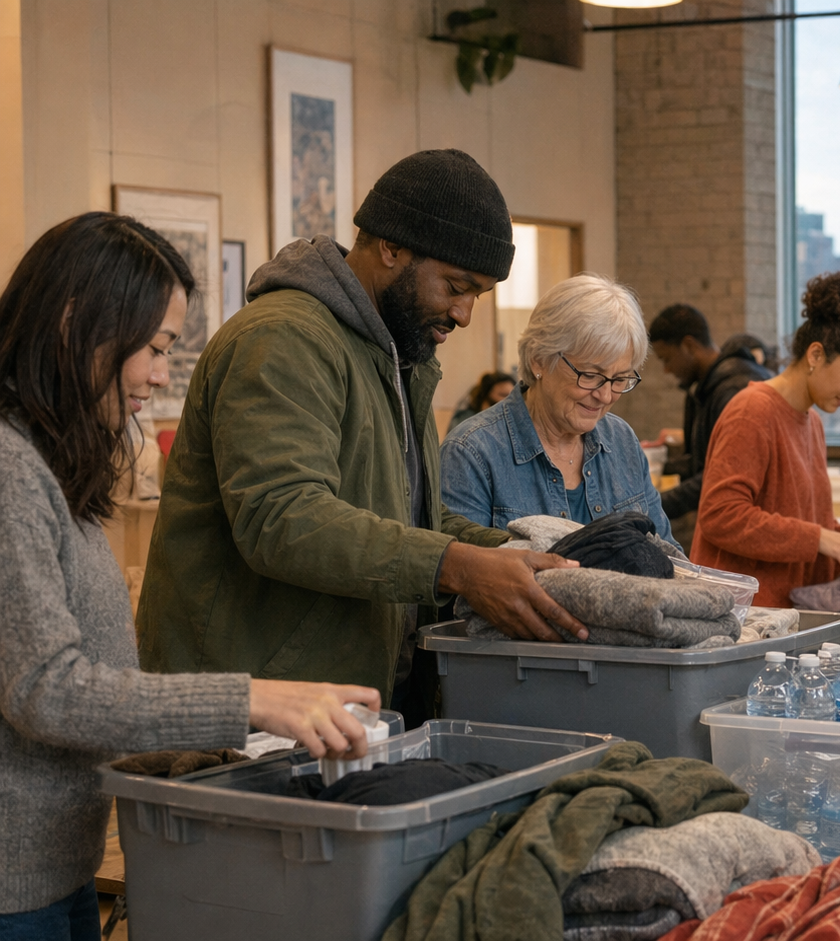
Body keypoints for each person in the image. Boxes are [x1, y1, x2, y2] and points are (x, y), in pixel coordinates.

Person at [0, 213, 381, 940]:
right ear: (75, 322)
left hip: (52, 867)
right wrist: (250, 700)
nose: (159, 375)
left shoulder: (49, 460)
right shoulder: (10, 467)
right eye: (153, 348)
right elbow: (45, 687)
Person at [137, 150, 591, 726]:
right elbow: (282, 518)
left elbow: (405, 517)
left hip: (345, 707)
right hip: (248, 718)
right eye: (456, 286)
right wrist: (458, 566)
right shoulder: (283, 338)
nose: (466, 313)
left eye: (479, 294)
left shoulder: (401, 357)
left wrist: (513, 556)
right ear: (391, 248)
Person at [693, 273, 840, 606]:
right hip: (743, 620)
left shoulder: (813, 423)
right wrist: (818, 537)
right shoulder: (752, 412)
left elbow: (817, 530)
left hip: (791, 616)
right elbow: (721, 516)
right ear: (815, 355)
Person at [441, 274, 673, 540]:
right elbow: (465, 574)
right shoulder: (472, 453)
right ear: (539, 359)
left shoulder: (621, 442)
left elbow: (669, 556)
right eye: (589, 375)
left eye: (620, 379)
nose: (606, 395)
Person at [647, 303, 773, 520]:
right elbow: (703, 461)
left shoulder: (733, 390)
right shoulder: (708, 388)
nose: (667, 370)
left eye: (666, 359)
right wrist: (654, 465)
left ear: (688, 345)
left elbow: (720, 476)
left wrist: (651, 507)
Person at [448, 371, 515, 432]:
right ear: (485, 398)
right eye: (503, 395)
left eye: (512, 395)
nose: (508, 399)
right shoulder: (465, 422)